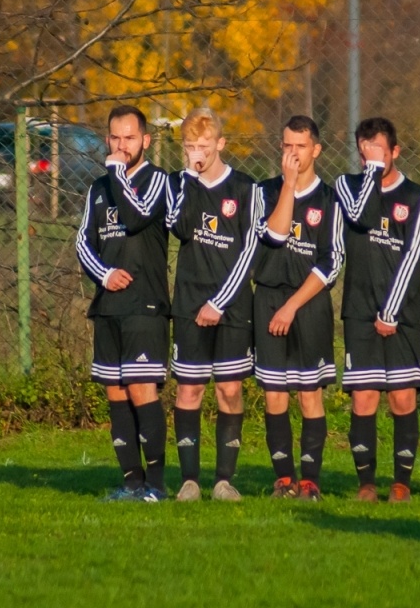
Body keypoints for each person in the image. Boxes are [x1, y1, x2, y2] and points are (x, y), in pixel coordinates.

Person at [76, 105, 174, 502]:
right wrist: (104, 275)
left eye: (129, 138)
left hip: (145, 305)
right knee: (115, 393)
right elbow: (83, 241)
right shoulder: (97, 188)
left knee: (140, 389)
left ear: (145, 141)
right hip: (108, 306)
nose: (121, 145)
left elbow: (135, 217)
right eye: (115, 138)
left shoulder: (157, 181)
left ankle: (157, 485)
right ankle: (131, 484)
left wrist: (117, 172)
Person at [165, 107, 263, 501]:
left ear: (221, 144)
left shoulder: (245, 188)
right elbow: (178, 226)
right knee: (188, 390)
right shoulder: (180, 183)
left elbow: (251, 250)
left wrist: (220, 302)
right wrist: (189, 179)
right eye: (189, 147)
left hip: (232, 306)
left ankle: (224, 480)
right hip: (189, 301)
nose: (197, 153)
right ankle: (190, 480)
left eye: (203, 146)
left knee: (229, 390)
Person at [335, 117, 420, 502]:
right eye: (363, 152)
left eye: (377, 151)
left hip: (402, 312)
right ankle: (366, 485)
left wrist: (391, 311)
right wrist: (371, 174)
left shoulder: (418, 196)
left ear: (395, 151)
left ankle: (401, 484)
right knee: (364, 398)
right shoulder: (348, 186)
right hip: (359, 309)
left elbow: (413, 255)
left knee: (403, 398)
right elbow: (359, 217)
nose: (368, 158)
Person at [253, 115, 343, 500]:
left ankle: (309, 481)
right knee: (274, 392)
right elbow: (269, 238)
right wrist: (288, 186)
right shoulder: (265, 191)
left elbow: (332, 260)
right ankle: (283, 479)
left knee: (309, 392)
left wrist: (292, 305)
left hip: (307, 303)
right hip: (269, 296)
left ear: (316, 150)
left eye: (300, 146)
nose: (292, 153)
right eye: (287, 145)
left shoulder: (331, 198)